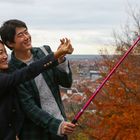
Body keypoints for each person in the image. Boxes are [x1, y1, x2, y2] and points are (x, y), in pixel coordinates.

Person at [0, 19, 76, 140]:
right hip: (35, 133)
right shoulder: (11, 71)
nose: (26, 37)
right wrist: (57, 126)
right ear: (10, 43)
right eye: (20, 35)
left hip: (60, 125)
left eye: (26, 32)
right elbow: (28, 106)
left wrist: (61, 59)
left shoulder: (44, 51)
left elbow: (66, 83)